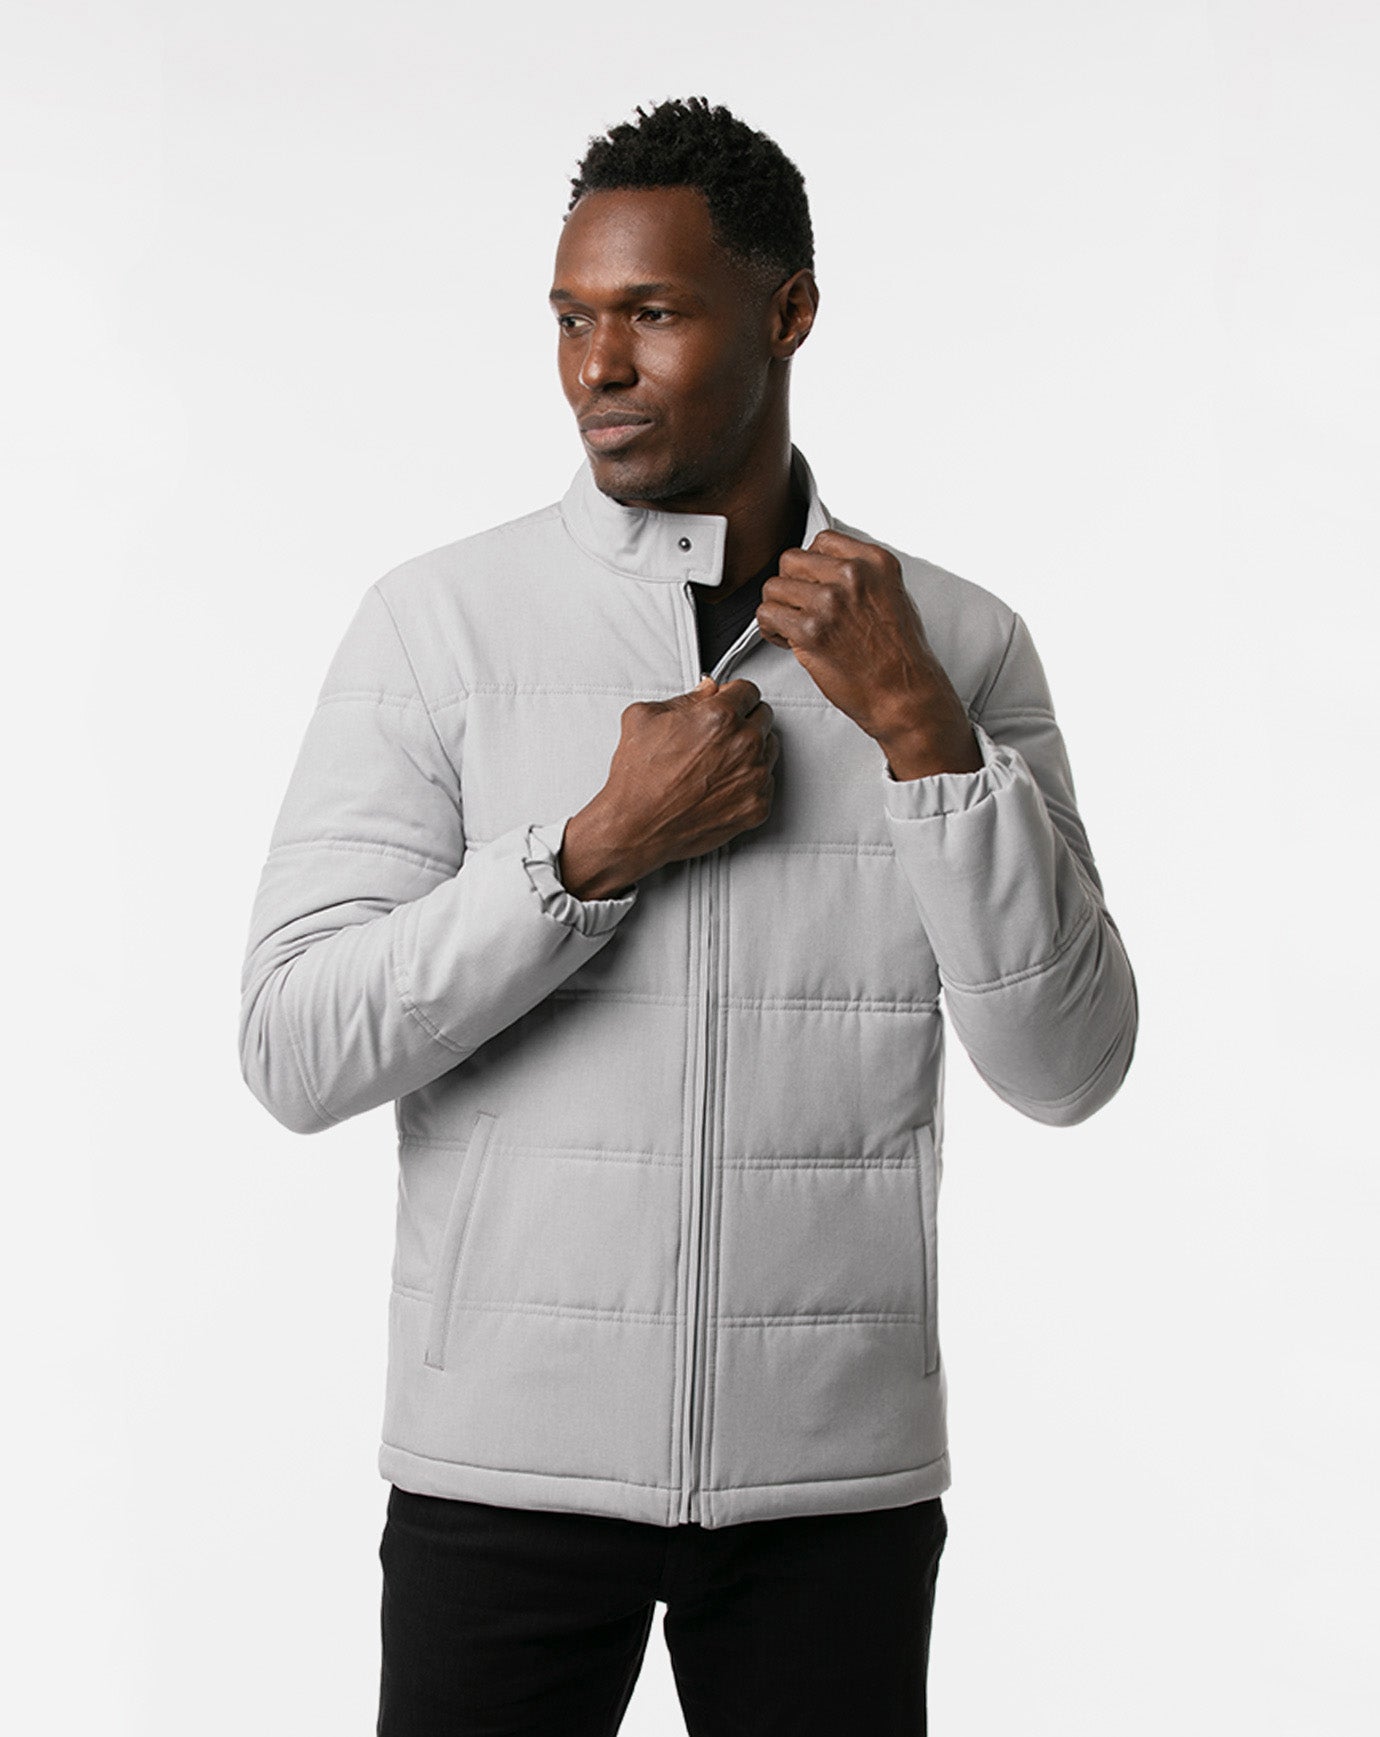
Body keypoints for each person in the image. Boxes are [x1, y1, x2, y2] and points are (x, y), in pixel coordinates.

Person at [239, 95, 1138, 1737]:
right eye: (572, 317)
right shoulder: (442, 623)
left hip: (832, 1488)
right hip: (501, 1475)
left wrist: (924, 735)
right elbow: (295, 1045)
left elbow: (1069, 1063)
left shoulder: (958, 644)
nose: (599, 364)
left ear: (789, 312)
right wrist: (584, 855)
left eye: (651, 313)